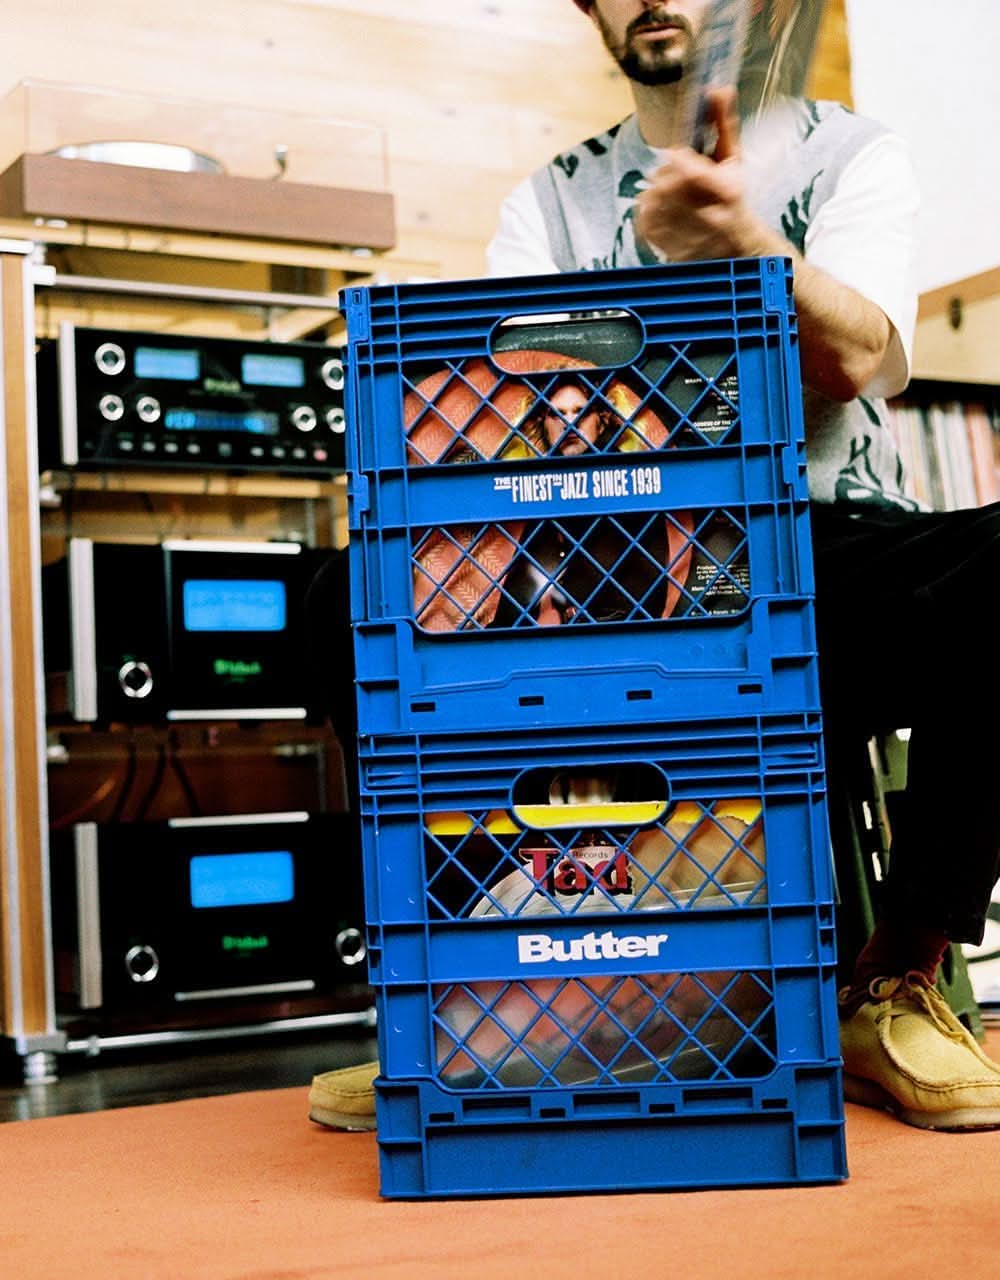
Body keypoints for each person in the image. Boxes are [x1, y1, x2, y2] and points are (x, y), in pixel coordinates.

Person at [309, 0, 1000, 1132]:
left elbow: (861, 353)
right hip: (615, 574)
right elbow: (515, 415)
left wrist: (744, 245)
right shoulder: (548, 201)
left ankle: (893, 978)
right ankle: (467, 998)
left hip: (824, 555)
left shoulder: (849, 154)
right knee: (355, 592)